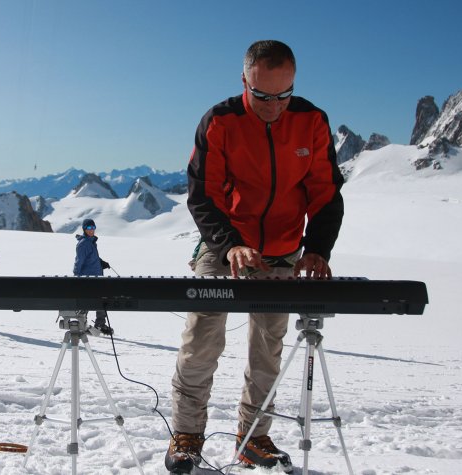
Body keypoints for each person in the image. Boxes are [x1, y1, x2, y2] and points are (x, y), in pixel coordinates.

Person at [166, 40, 344, 473]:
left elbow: (325, 192)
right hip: (224, 245)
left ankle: (253, 437)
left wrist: (317, 249)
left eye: (283, 95)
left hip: (283, 251)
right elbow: (203, 194)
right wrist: (230, 246)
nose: (274, 106)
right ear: (244, 80)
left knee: (268, 348)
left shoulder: (311, 120)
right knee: (202, 338)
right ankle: (187, 434)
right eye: (263, 96)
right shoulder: (221, 121)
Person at [72, 218, 114, 336]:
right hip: (87, 278)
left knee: (101, 300)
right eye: (89, 228)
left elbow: (92, 258)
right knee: (88, 301)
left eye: (93, 228)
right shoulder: (84, 244)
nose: (91, 230)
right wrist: (77, 277)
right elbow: (79, 261)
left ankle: (99, 324)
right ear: (84, 229)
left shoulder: (91, 242)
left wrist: (101, 263)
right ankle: (81, 323)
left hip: (96, 277)